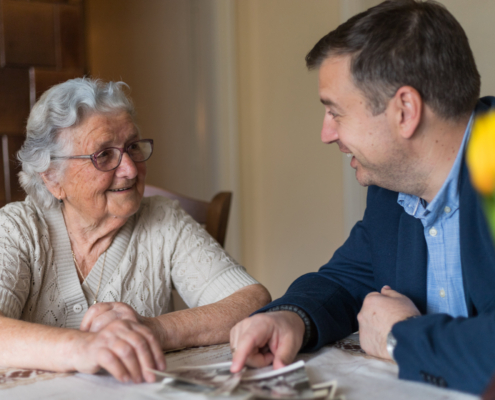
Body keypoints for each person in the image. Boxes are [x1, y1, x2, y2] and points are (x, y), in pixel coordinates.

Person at [230, 0, 495, 395]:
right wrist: (289, 318)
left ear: (404, 110)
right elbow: (347, 278)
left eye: (335, 112)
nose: (327, 133)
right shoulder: (393, 189)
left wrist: (399, 337)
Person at [0, 78, 271, 384]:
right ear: (52, 178)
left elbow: (252, 301)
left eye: (132, 147)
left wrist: (153, 329)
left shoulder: (164, 220)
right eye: (103, 155)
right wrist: (83, 347)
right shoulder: (17, 229)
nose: (129, 168)